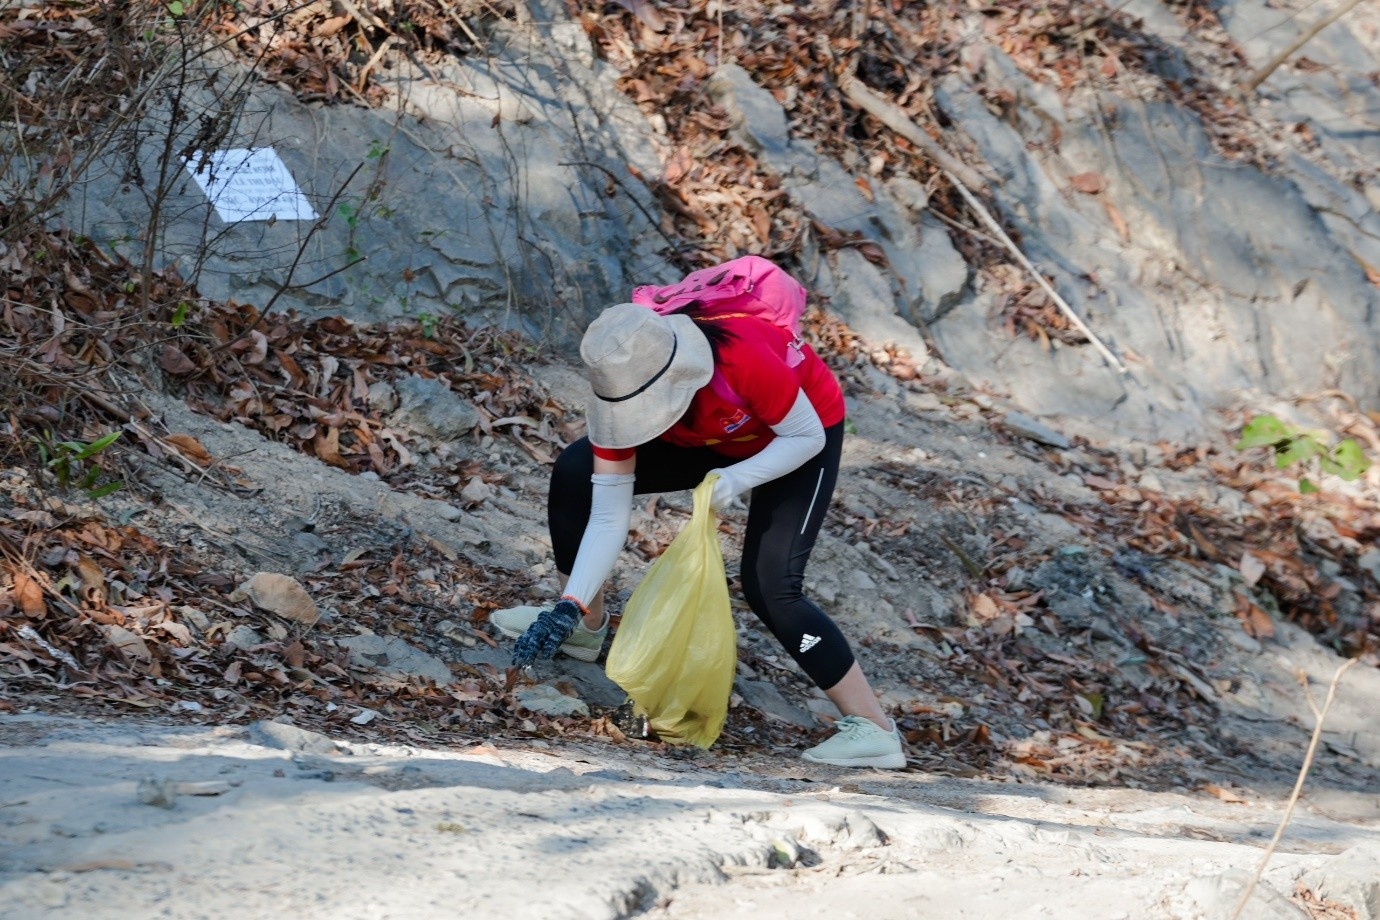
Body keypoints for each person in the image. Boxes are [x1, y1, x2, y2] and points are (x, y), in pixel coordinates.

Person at [491, 289, 905, 769]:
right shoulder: (623, 392)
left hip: (793, 433)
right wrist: (570, 603)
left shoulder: (741, 355)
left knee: (771, 585)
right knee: (574, 472)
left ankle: (874, 731)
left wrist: (738, 478)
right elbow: (608, 515)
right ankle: (583, 630)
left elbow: (806, 436)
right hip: (709, 436)